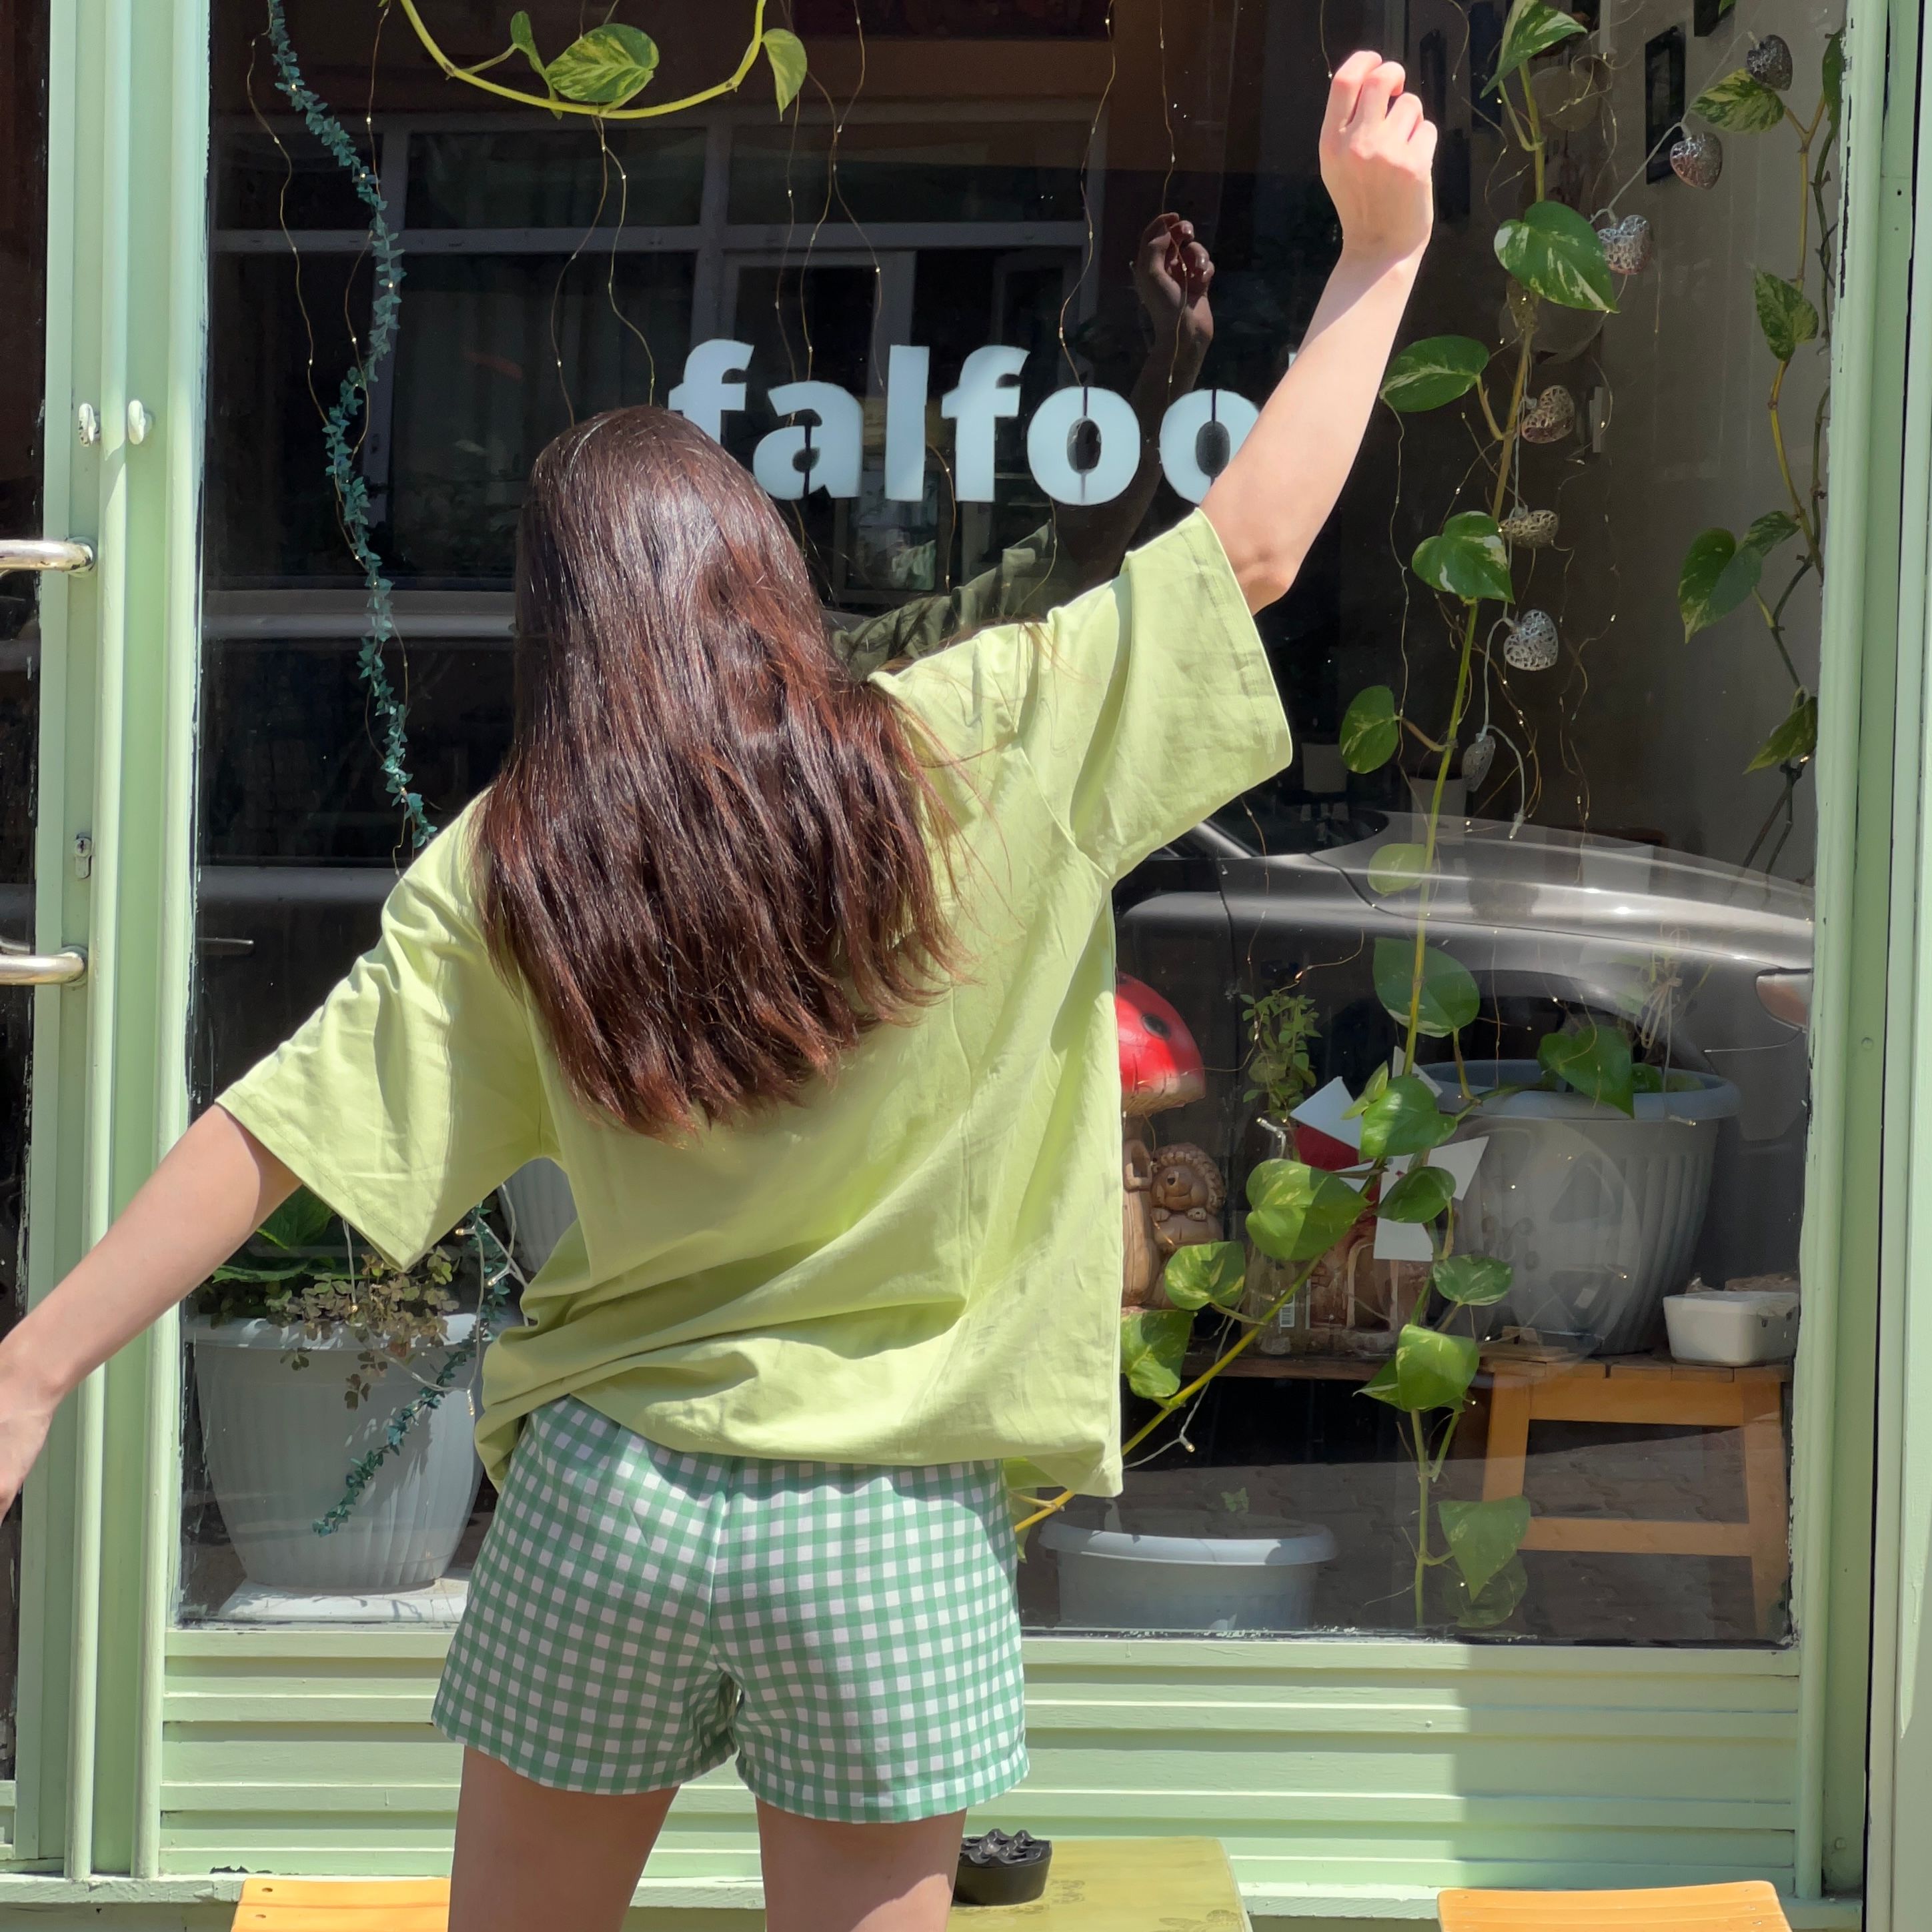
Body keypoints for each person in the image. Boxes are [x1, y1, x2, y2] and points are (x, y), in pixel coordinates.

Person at [0, 53, 1434, 1932]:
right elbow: (1243, 546)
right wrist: (1376, 254)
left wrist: (32, 1363)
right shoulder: (967, 741)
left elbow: (271, 1133)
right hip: (888, 1529)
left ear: (558, 634)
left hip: (609, 1502)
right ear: (765, 577)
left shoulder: (522, 861)